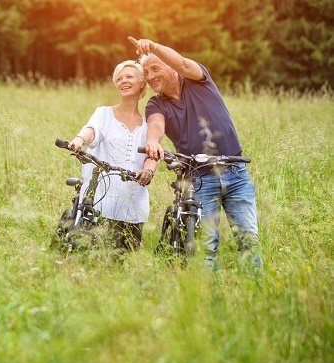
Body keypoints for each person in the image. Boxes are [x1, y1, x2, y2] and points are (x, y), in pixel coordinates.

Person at [127, 36, 263, 272]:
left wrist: (154, 47)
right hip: (200, 179)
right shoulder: (155, 104)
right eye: (146, 72)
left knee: (248, 241)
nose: (149, 76)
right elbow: (156, 126)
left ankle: (258, 295)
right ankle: (212, 301)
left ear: (169, 66)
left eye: (155, 68)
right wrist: (152, 141)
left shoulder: (199, 81)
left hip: (236, 172)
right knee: (207, 249)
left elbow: (181, 63)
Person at [68, 60, 159, 250]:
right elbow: (92, 130)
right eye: (119, 78)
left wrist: (148, 172)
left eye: (129, 77)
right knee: (88, 257)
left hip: (133, 204)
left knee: (123, 263)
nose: (123, 81)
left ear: (142, 82)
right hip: (100, 201)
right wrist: (79, 140)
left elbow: (153, 153)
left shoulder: (148, 125)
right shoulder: (104, 114)